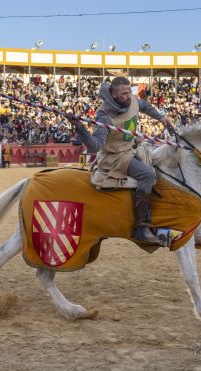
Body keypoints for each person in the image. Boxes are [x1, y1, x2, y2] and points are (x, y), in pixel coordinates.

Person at [67, 76, 172, 245]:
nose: (128, 97)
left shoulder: (133, 101)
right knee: (147, 175)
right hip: (114, 158)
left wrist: (161, 117)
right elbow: (95, 146)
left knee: (159, 167)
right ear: (114, 95)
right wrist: (80, 128)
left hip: (129, 150)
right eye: (124, 94)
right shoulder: (104, 117)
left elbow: (145, 106)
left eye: (129, 92)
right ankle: (140, 227)